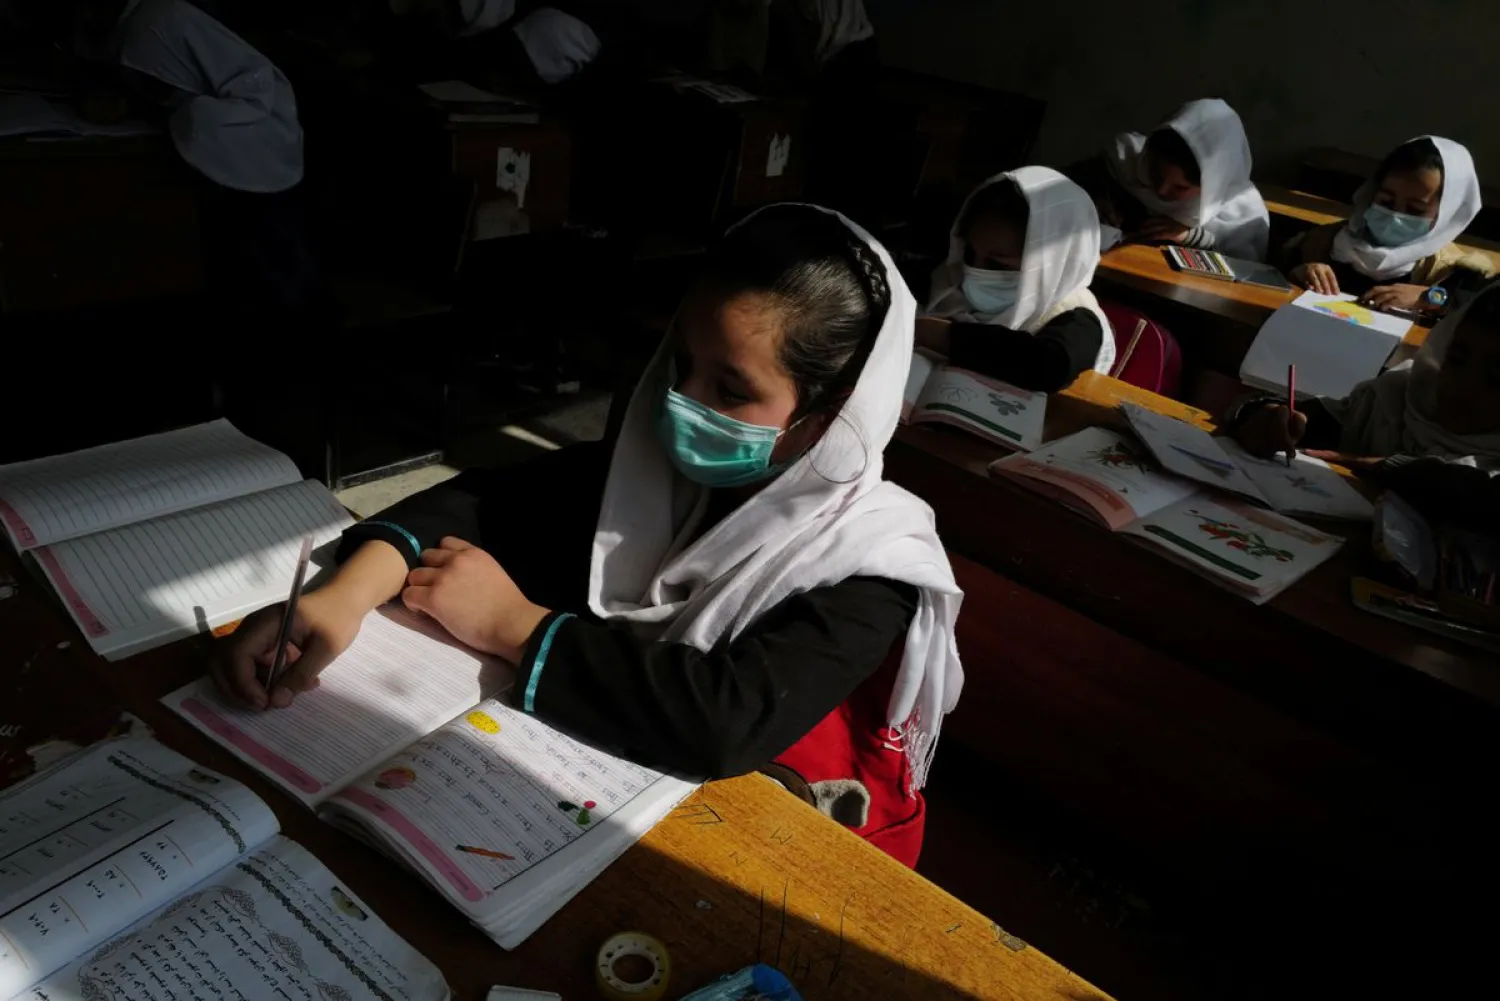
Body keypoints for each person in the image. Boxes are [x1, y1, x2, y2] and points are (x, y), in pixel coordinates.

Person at [211, 204, 965, 865]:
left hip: (775, 836)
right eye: (681, 363)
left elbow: (722, 721)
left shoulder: (873, 565)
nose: (681, 400)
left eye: (730, 389)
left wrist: (514, 625)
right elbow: (479, 501)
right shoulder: (657, 474)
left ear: (831, 416)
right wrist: (341, 598)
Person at [69, 0, 319, 317]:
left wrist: (174, 113)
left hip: (253, 141)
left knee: (275, 259)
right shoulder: (126, 28)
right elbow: (162, 92)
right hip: (223, 146)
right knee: (244, 263)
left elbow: (187, 93)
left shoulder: (156, 24)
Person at [1228, 282, 1500, 531]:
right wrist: (1266, 413)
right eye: (1457, 359)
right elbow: (1316, 419)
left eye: (1496, 377)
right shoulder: (1399, 396)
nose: (1463, 386)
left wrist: (1393, 469)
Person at [918, 167, 1114, 391]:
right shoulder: (948, 281)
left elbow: (1048, 366)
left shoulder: (1077, 318)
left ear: (1052, 264)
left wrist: (939, 334)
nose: (974, 272)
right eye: (970, 255)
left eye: (997, 265)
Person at [1291, 136, 1496, 309]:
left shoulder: (1450, 270)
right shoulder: (1323, 241)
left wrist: (1429, 298)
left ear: (1448, 214)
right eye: (1386, 201)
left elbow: (1475, 309)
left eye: (1415, 210)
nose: (1395, 215)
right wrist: (1299, 273)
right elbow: (1280, 273)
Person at [1069, 98, 1269, 261]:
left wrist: (1192, 237)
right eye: (1156, 174)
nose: (1161, 191)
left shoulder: (1241, 213)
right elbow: (1069, 182)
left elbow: (1243, 271)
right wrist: (1091, 199)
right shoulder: (1126, 162)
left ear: (1213, 187)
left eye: (1181, 187)